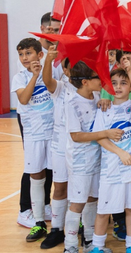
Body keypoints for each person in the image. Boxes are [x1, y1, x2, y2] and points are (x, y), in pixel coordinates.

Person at [90, 65, 131, 253]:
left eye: (124, 83)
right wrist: (120, 152)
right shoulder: (104, 109)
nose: (119, 87)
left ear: (130, 86)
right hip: (111, 168)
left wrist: (130, 71)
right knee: (104, 210)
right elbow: (100, 137)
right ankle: (97, 247)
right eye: (114, 83)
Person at [63, 63, 113, 253]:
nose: (101, 80)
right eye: (97, 77)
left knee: (92, 199)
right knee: (78, 202)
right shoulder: (72, 103)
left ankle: (90, 240)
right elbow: (76, 136)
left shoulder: (99, 97)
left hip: (98, 158)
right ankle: (70, 246)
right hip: (80, 161)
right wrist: (104, 133)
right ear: (85, 82)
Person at [13, 38, 56, 242]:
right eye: (21, 54)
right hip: (34, 136)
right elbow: (23, 99)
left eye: (28, 53)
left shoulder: (51, 71)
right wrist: (34, 76)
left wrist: (43, 72)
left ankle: (60, 222)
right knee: (36, 176)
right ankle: (38, 222)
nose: (24, 58)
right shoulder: (19, 77)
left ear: (40, 54)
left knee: (61, 176)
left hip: (54, 133)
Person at [40, 47, 73, 249]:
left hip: (83, 147)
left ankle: (77, 228)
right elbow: (47, 81)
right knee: (59, 188)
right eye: (73, 67)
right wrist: (48, 60)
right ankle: (56, 229)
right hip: (60, 146)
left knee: (82, 190)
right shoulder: (60, 86)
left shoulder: (93, 90)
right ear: (66, 69)